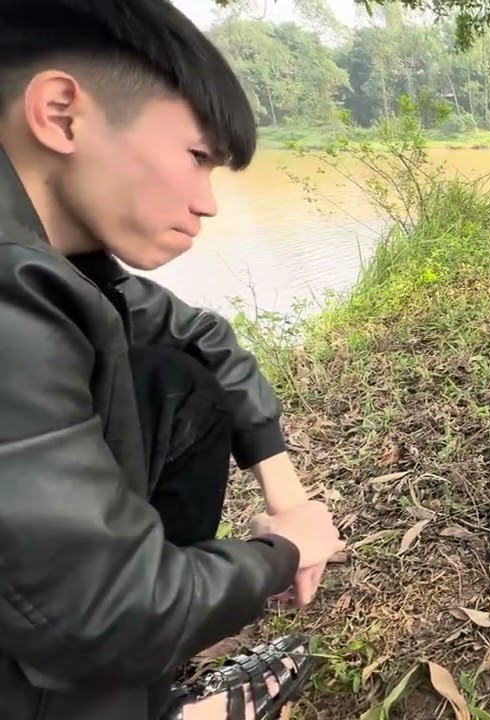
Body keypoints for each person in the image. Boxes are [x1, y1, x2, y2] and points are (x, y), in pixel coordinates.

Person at [0, 1, 347, 719]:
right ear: (61, 112)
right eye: (196, 159)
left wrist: (287, 496)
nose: (207, 203)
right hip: (70, 627)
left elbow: (203, 338)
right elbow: (109, 610)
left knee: (178, 384)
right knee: (114, 625)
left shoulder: (62, 263)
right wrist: (280, 552)